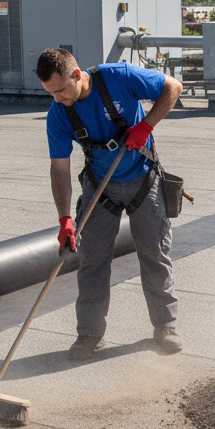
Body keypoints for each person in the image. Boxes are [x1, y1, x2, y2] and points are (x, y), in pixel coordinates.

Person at [36, 48, 183, 360]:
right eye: (51, 93)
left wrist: (146, 126)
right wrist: (64, 219)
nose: (58, 99)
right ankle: (89, 334)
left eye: (60, 90)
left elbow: (173, 87)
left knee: (154, 256)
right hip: (100, 186)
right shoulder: (59, 114)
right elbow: (59, 168)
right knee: (93, 261)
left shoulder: (119, 77)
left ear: (77, 75)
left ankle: (166, 327)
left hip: (143, 179)